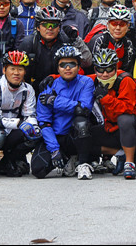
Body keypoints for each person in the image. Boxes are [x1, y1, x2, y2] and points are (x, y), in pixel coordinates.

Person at [30, 45, 95, 180]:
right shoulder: (49, 85)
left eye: (72, 64)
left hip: (75, 135)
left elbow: (83, 109)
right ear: (57, 68)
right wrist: (54, 149)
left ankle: (83, 163)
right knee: (38, 170)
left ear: (79, 66)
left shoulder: (86, 82)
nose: (67, 68)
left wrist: (55, 101)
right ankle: (69, 159)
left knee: (82, 121)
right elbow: (44, 122)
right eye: (63, 65)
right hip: (55, 135)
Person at [0, 50, 41, 178]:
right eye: (12, 69)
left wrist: (34, 127)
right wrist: (19, 123)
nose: (16, 73)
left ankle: (7, 161)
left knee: (35, 135)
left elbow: (29, 115)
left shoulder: (28, 89)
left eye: (20, 69)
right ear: (4, 70)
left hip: (11, 129)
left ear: (25, 71)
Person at [89, 49, 136, 180]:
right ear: (95, 69)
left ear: (115, 67)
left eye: (109, 69)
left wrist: (106, 99)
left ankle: (129, 163)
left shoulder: (125, 80)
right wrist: (53, 77)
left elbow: (128, 109)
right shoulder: (94, 79)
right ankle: (120, 154)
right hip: (111, 128)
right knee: (83, 134)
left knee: (124, 119)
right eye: (100, 70)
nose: (105, 74)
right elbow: (75, 77)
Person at [19, 6, 92, 95]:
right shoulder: (29, 43)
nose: (50, 28)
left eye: (54, 25)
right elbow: (19, 72)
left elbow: (87, 62)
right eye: (45, 25)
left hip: (62, 87)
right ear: (38, 27)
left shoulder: (65, 40)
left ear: (59, 28)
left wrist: (76, 39)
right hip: (33, 88)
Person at [87, 5, 135, 73]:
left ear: (128, 26)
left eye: (122, 24)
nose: (118, 28)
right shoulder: (99, 40)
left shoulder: (128, 43)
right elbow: (89, 67)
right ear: (108, 24)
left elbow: (127, 69)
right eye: (114, 24)